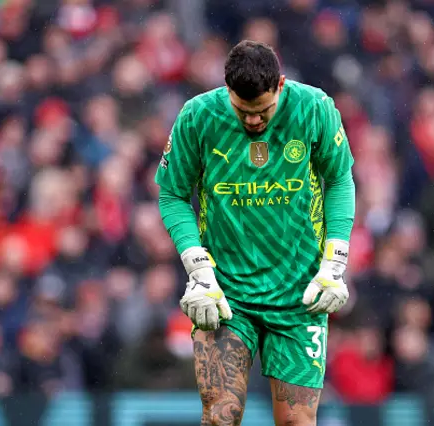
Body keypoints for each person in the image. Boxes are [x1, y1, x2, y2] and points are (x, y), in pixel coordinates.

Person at [155, 40, 355, 426]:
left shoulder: (313, 108)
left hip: (300, 296)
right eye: (243, 111)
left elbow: (340, 180)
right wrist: (197, 268)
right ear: (228, 90)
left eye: (263, 111)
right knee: (220, 417)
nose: (253, 122)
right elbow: (172, 194)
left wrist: (335, 263)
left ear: (280, 85)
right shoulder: (197, 117)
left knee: (297, 422)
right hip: (225, 295)